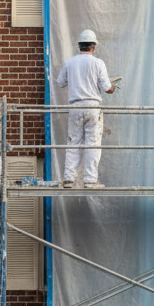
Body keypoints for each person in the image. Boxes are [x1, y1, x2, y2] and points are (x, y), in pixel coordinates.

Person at [56, 29, 115, 188]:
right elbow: (106, 87)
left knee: (73, 142)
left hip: (75, 106)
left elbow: (60, 82)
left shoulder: (70, 62)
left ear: (79, 46)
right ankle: (90, 180)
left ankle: (68, 179)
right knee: (93, 143)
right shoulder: (98, 63)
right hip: (92, 107)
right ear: (93, 46)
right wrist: (111, 88)